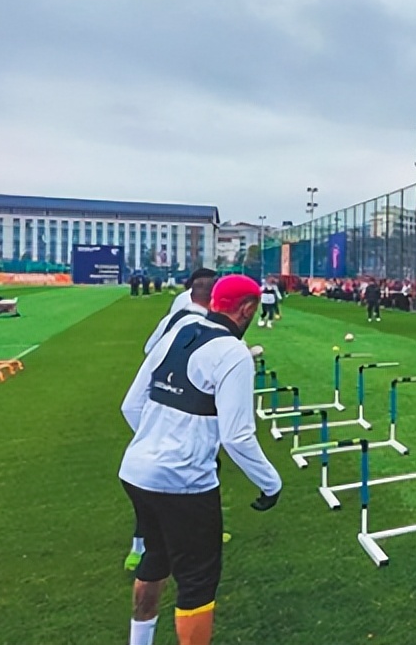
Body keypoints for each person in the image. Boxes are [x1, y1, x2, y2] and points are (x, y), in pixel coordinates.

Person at [119, 275, 282, 645]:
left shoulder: (177, 331)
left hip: (136, 471)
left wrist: (157, 443)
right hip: (185, 482)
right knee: (197, 583)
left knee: (155, 558)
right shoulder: (234, 353)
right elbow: (237, 436)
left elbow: (131, 405)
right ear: (248, 309)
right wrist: (271, 484)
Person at [131, 270, 221, 569]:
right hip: (173, 410)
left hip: (157, 403)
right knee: (177, 483)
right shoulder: (195, 323)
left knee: (147, 482)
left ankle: (141, 548)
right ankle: (167, 545)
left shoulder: (177, 315)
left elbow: (149, 348)